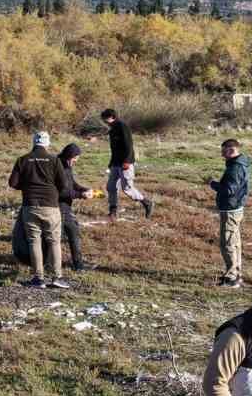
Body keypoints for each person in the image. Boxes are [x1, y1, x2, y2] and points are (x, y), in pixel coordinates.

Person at [8, 131, 70, 289]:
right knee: (54, 241)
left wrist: (27, 186)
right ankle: (57, 277)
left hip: (30, 205)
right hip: (51, 205)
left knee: (34, 241)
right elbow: (63, 185)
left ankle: (38, 278)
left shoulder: (22, 160)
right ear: (47, 144)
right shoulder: (54, 160)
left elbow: (13, 183)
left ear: (33, 142)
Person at [208, 139, 252, 288]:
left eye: (224, 150)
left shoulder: (235, 168)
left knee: (227, 243)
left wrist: (212, 184)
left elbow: (228, 190)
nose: (222, 154)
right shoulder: (241, 163)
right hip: (236, 207)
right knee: (235, 242)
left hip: (230, 209)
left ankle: (232, 278)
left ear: (231, 150)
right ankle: (236, 273)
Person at [100, 108, 153, 219]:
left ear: (112, 117)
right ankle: (112, 211)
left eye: (105, 119)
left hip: (125, 163)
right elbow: (114, 149)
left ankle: (146, 202)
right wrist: (111, 162)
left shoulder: (123, 126)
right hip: (115, 163)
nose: (104, 121)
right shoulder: (112, 129)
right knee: (111, 187)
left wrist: (127, 161)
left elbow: (129, 145)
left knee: (127, 188)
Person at [57, 143, 94, 272]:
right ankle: (77, 265)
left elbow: (72, 183)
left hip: (65, 206)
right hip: (58, 207)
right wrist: (81, 195)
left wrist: (84, 189)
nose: (76, 161)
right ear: (69, 155)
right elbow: (61, 191)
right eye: (75, 158)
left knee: (71, 233)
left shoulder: (67, 166)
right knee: (70, 232)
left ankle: (77, 264)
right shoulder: (57, 166)